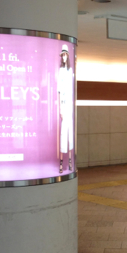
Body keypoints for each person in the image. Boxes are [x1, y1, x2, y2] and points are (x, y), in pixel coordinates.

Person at [57, 44, 74, 173]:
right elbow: (59, 91)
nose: (63, 57)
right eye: (62, 55)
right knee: (63, 133)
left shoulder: (70, 71)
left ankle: (70, 161)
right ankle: (61, 162)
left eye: (65, 55)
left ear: (68, 56)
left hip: (70, 105)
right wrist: (60, 109)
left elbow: (72, 90)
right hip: (63, 104)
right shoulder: (61, 71)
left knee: (70, 133)